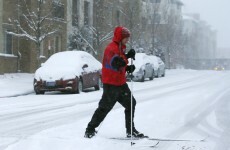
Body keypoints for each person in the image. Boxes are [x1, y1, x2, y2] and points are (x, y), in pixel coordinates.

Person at [84, 26, 145, 138]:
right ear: (120, 37)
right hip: (111, 85)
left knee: (131, 103)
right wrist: (120, 62)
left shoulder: (120, 48)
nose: (127, 40)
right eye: (125, 37)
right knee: (104, 108)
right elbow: (111, 63)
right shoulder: (111, 48)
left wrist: (127, 66)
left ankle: (130, 130)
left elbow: (120, 64)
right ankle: (90, 130)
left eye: (128, 38)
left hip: (121, 84)